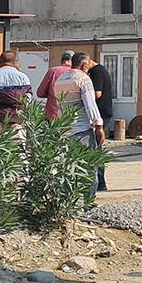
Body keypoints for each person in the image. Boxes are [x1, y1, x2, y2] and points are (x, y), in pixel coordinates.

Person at [54, 52, 104, 196]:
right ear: (84, 65)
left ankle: (70, 200)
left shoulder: (60, 79)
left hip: (65, 129)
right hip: (82, 129)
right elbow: (90, 105)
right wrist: (99, 126)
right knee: (89, 166)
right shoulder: (83, 79)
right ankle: (88, 201)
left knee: (69, 168)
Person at [0, 51, 32, 133]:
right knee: (17, 141)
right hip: (16, 120)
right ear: (14, 62)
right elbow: (27, 98)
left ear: (0, 62)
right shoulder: (23, 78)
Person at [88, 57, 115, 191]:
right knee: (97, 147)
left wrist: (83, 96)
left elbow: (97, 93)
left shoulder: (97, 71)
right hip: (103, 114)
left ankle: (100, 182)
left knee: (96, 148)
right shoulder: (100, 70)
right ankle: (98, 182)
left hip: (101, 114)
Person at [37, 50, 74, 120]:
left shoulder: (53, 71)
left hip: (52, 114)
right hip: (72, 115)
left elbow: (40, 93)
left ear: (62, 60)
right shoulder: (78, 73)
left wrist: (50, 94)